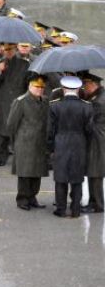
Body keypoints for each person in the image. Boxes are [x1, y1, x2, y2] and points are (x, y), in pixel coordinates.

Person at [47, 76, 93, 218]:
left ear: (63, 89)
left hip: (60, 143)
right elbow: (89, 130)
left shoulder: (55, 105)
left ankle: (61, 209)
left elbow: (50, 130)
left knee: (60, 178)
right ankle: (75, 209)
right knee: (77, 179)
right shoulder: (87, 106)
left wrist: (50, 147)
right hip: (79, 144)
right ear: (78, 89)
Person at [6, 75, 50, 210]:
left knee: (37, 172)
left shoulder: (45, 101)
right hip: (25, 142)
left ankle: (32, 197)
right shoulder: (21, 101)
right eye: (37, 87)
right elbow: (11, 124)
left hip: (40, 142)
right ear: (30, 86)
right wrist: (16, 142)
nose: (40, 90)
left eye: (42, 87)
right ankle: (22, 199)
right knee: (25, 172)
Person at [0, 43, 29, 166]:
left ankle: (19, 157)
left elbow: (27, 83)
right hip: (4, 101)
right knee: (3, 130)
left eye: (10, 49)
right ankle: (3, 156)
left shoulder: (24, 64)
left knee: (18, 131)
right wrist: (0, 71)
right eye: (5, 49)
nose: (7, 52)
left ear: (15, 49)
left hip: (19, 100)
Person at [82, 72, 105, 213]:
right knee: (93, 171)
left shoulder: (98, 101)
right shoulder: (98, 96)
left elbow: (90, 123)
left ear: (93, 85)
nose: (84, 87)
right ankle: (93, 201)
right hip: (98, 138)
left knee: (95, 172)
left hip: (97, 139)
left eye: (86, 84)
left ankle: (97, 204)